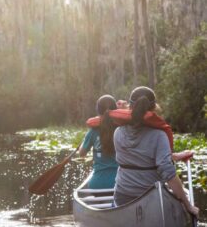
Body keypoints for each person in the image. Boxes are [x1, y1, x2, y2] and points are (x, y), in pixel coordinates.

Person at [113, 86, 199, 217]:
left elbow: (140, 157)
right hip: (151, 198)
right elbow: (167, 172)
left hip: (122, 196)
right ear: (154, 108)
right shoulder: (159, 136)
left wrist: (175, 156)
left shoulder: (118, 133)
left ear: (130, 107)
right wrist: (189, 206)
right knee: (179, 196)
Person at [79, 95, 118, 189]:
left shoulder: (92, 132)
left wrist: (85, 140)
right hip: (118, 183)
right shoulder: (122, 129)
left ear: (98, 111)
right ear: (115, 110)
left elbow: (82, 153)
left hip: (96, 184)